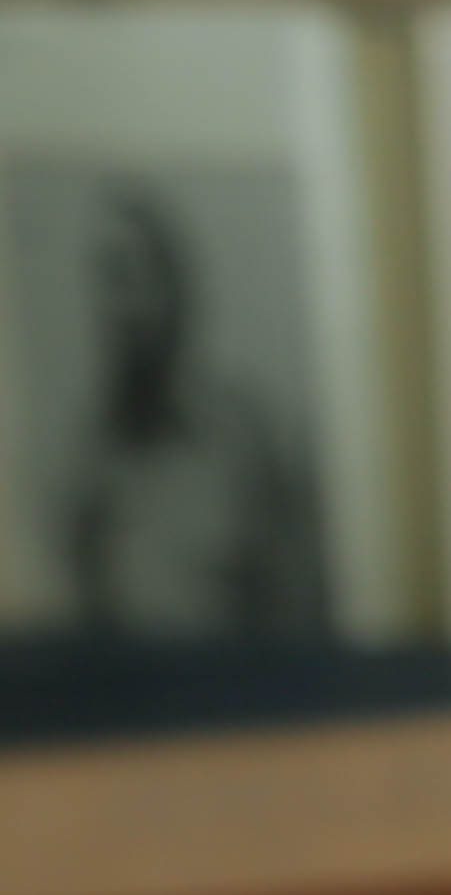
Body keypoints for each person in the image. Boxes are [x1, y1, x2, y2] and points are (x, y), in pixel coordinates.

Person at [48, 178, 328, 641]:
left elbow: (293, 601)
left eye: (130, 276)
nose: (118, 306)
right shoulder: (82, 460)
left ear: (174, 288)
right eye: (104, 280)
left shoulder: (243, 434)